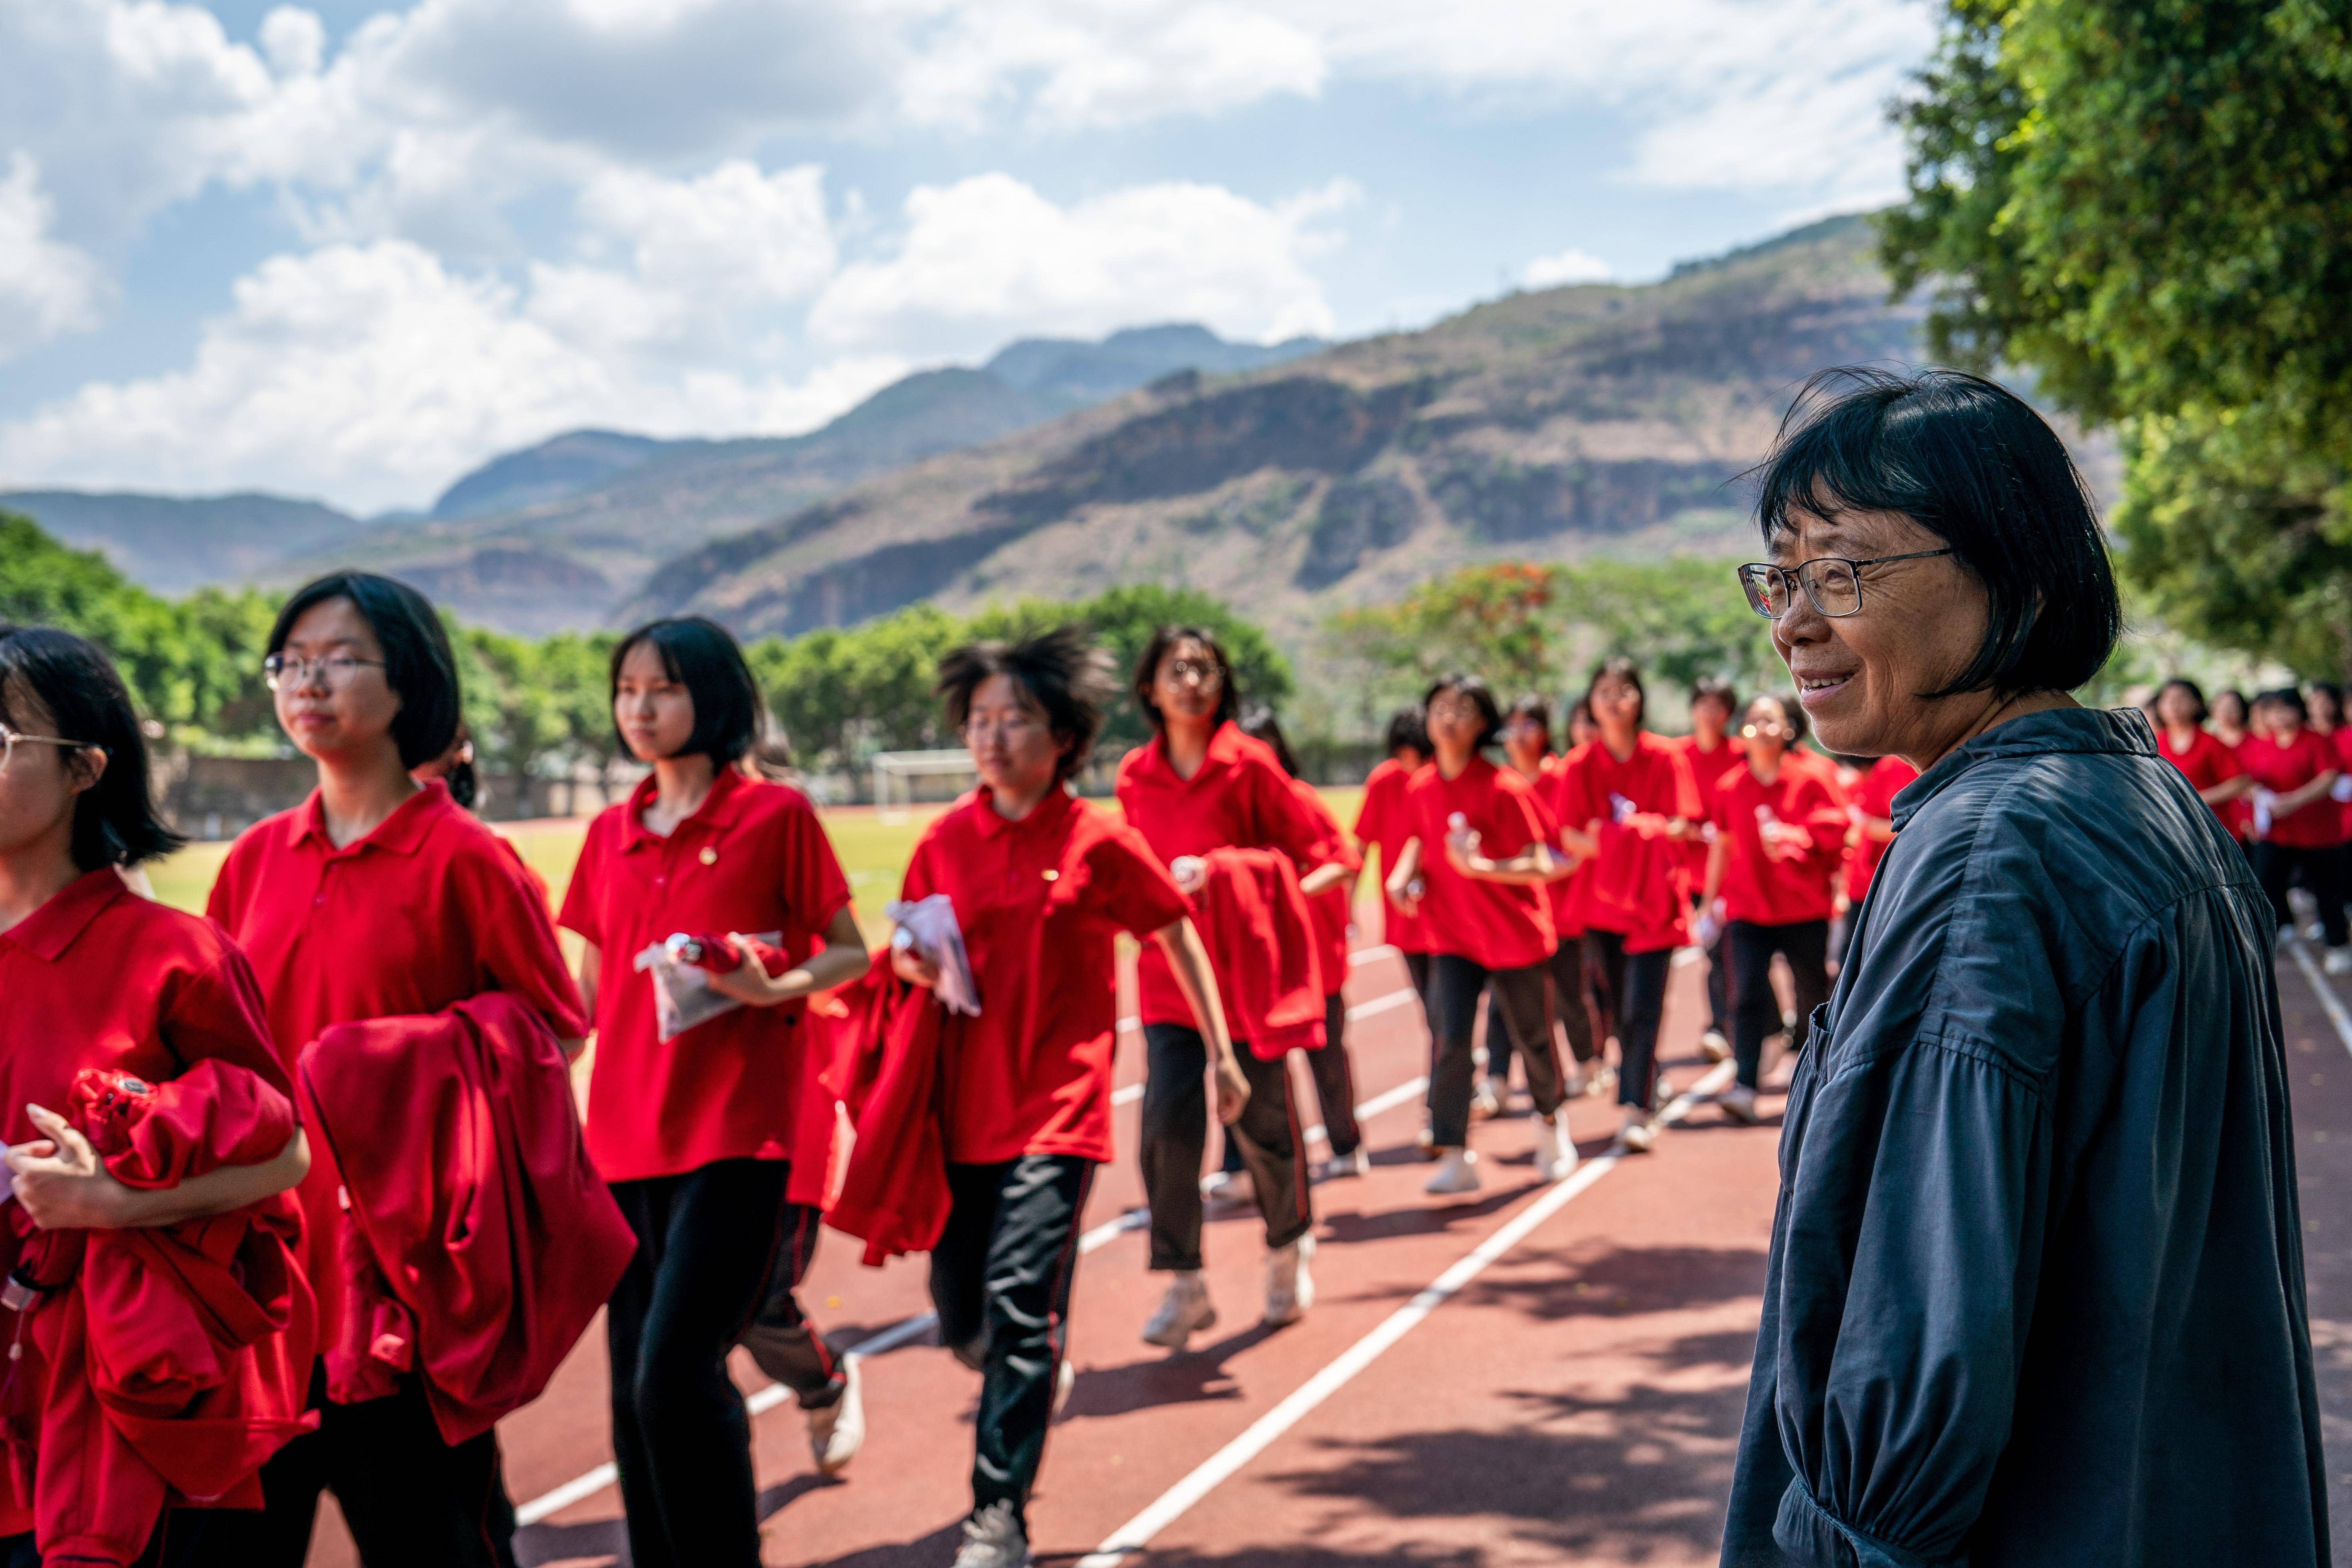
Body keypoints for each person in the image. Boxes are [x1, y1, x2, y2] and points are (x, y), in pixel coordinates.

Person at [1721, 367, 2324, 1567]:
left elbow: (1912, 1342)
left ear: (2015, 572)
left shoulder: (1987, 855)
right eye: (1778, 575)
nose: (1791, 620)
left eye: (1839, 569)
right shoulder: (2138, 797)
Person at [203, 573, 589, 1567]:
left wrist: (394, 1061)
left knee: (432, 1539)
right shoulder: (251, 860)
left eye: (340, 658)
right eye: (291, 661)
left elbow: (552, 1034)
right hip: (262, 1285)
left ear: (408, 680)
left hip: (404, 1285)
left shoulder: (465, 857)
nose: (308, 682)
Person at [898, 628, 1227, 1568]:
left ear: (1065, 736)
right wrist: (910, 962)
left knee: (1014, 1300)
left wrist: (1223, 1051)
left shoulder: (1098, 838)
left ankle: (994, 1513)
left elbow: (1173, 930)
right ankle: (1026, 1365)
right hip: (959, 1111)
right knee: (960, 1313)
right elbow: (913, 944)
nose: (993, 737)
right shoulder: (942, 838)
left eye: (1016, 720)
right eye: (979, 720)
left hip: (1057, 1108)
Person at [557, 618, 871, 1568]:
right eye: (626, 690)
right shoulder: (609, 833)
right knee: (628, 1392)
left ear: (714, 697)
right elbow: (583, 994)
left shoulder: (776, 816)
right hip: (619, 1140)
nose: (639, 709)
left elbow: (848, 951)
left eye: (663, 689)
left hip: (739, 1138)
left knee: (673, 1375)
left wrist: (766, 984)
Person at [0, 626, 314, 1565]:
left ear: (85, 767)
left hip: (109, 1406)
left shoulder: (173, 954)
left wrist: (115, 1202)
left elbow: (284, 1150)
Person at [1115, 626, 1341, 1348]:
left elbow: (1330, 854)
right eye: (1175, 669)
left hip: (1248, 986)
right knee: (1166, 1134)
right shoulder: (1133, 776)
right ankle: (1186, 1283)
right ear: (1149, 686)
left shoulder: (1250, 765)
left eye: (1205, 669)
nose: (1191, 680)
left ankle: (1287, 1247)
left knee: (1266, 1128)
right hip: (1169, 984)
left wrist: (1240, 887)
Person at [1383, 674, 1578, 1194]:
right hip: (1452, 935)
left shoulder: (1505, 787)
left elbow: (1543, 862)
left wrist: (1482, 867)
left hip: (1512, 935)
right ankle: (1455, 1152)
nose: (1448, 717)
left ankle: (1551, 1126)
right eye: (1440, 706)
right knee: (1449, 1041)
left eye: (1463, 709)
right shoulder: (1421, 784)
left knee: (1532, 1038)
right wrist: (1403, 876)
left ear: (1483, 724)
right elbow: (1418, 843)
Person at [1547, 658, 1701, 1152]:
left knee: (1641, 1007)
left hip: (1655, 906)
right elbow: (1569, 835)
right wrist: (1626, 838)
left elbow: (1680, 825)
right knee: (1613, 1007)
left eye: (1624, 689)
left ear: (1639, 699)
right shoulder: (1577, 765)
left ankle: (1635, 1106)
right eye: (1604, 691)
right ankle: (1645, 1074)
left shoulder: (1665, 757)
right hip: (1602, 909)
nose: (1613, 699)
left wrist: (1622, 833)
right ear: (1591, 702)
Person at [1695, 693, 1846, 1123]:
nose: (1759, 727)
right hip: (1747, 910)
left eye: (1769, 720)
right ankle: (1744, 1084)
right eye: (1752, 720)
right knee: (1743, 992)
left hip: (1802, 909)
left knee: (1812, 991)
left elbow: (1838, 837)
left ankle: (1819, 1071)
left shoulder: (1816, 776)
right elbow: (1720, 848)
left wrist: (1796, 837)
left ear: (1787, 728)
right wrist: (1707, 904)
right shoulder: (1729, 787)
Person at [1238, 707, 1368, 1181]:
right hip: (1256, 965)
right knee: (1254, 1068)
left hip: (1313, 959)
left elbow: (1343, 862)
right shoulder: (1233, 810)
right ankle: (1251, 1164)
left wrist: (1288, 892)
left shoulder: (1301, 800)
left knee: (1326, 1059)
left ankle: (1345, 1144)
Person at [1482, 695, 1558, 1114]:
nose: (1517, 732)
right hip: (1504, 916)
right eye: (1510, 724)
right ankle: (1495, 1080)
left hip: (1563, 915)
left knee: (1562, 1006)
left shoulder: (1556, 777)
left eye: (1527, 722)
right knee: (1500, 1005)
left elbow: (1556, 852)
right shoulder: (1499, 781)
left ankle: (1581, 1066)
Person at [2238, 686, 2350, 970]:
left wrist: (2294, 801)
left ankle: (2337, 944)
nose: (2278, 715)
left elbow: (2329, 777)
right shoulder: (2260, 745)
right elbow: (2247, 781)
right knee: (2265, 883)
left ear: (2298, 710)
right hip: (2276, 833)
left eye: (2284, 708)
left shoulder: (2316, 741)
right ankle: (2268, 937)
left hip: (2318, 833)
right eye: (2272, 710)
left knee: (2327, 891)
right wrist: (2252, 803)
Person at [1677, 678, 1742, 1064]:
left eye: (1718, 706)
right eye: (1703, 704)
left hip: (1727, 875)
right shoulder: (1677, 755)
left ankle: (1720, 1026)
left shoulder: (1739, 755)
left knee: (1724, 954)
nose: (1709, 713)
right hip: (1684, 876)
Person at [1835, 751, 1920, 967]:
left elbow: (1915, 825)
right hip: (1868, 883)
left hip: (1887, 883)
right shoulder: (1881, 770)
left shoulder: (1894, 766)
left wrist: (1868, 826)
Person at [2151, 678, 2252, 839]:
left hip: (2211, 831)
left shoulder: (2211, 743)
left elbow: (2240, 783)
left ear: (2197, 704)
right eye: (2167, 699)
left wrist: (2194, 800)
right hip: (2170, 831)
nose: (2173, 706)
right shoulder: (2154, 744)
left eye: (2181, 699)